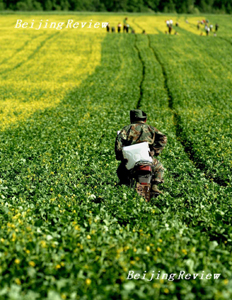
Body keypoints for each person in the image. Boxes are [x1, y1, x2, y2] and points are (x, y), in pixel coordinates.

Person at [115, 109, 167, 197]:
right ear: (144, 120)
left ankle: (124, 187)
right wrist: (155, 151)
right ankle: (154, 186)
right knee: (159, 168)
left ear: (131, 119)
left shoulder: (127, 129)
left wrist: (120, 155)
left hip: (131, 159)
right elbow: (163, 138)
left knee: (121, 171)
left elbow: (118, 142)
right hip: (146, 158)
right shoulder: (151, 128)